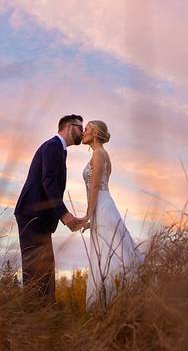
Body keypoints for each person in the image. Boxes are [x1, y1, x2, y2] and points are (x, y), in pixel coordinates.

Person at [13, 114, 88, 301]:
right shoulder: (53, 146)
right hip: (32, 214)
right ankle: (33, 313)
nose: (83, 131)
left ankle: (45, 313)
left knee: (45, 268)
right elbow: (48, 181)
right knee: (35, 269)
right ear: (69, 127)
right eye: (80, 127)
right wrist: (64, 214)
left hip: (41, 217)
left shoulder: (60, 150)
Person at [80, 120, 143, 306]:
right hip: (102, 207)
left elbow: (96, 186)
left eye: (87, 129)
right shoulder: (102, 154)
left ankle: (113, 300)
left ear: (96, 134)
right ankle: (111, 300)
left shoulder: (99, 154)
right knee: (107, 251)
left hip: (102, 207)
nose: (83, 132)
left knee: (111, 252)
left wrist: (87, 215)